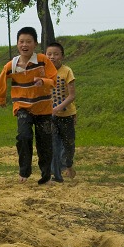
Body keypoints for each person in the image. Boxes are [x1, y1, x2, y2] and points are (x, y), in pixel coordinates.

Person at [0, 27, 60, 184]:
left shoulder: (42, 60)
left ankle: (46, 175)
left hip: (43, 108)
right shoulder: (12, 64)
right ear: (17, 44)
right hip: (22, 107)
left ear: (35, 44)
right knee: (23, 137)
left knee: (44, 141)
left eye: (28, 42)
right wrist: (1, 98)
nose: (24, 45)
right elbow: (2, 78)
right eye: (21, 41)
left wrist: (43, 81)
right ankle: (24, 171)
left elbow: (53, 79)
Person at [46, 41, 78, 179]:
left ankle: (68, 164)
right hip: (50, 116)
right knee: (54, 144)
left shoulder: (67, 71)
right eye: (49, 54)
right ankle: (56, 174)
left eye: (56, 54)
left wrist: (58, 107)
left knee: (68, 145)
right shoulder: (44, 72)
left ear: (62, 56)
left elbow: (72, 95)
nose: (52, 57)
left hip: (67, 115)